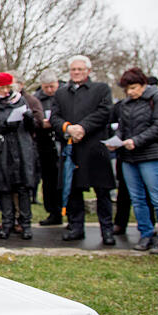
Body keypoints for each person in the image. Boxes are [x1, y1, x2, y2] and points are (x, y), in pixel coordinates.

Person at [50, 55, 116, 245]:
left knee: (102, 192)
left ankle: (107, 230)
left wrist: (83, 127)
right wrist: (68, 128)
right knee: (73, 191)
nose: (76, 73)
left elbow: (104, 112)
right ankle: (76, 227)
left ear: (88, 70)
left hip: (95, 148)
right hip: (72, 149)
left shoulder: (101, 89)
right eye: (73, 69)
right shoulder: (61, 93)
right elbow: (55, 117)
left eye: (80, 69)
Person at [110, 68, 158, 254]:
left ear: (143, 84)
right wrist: (116, 140)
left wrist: (137, 141)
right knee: (138, 199)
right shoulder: (126, 103)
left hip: (152, 156)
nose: (130, 92)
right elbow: (122, 127)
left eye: (134, 88)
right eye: (127, 89)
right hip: (129, 157)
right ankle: (146, 233)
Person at [0, 72, 36, 240]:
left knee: (23, 189)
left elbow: (31, 128)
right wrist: (4, 125)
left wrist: (29, 119)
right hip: (1, 152)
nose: (5, 91)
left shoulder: (20, 100)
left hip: (20, 150)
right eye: (1, 88)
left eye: (7, 87)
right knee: (4, 190)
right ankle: (7, 223)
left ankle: (25, 224)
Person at [34, 70, 63, 225]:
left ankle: (68, 211)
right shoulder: (37, 98)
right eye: (47, 87)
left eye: (52, 87)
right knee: (49, 180)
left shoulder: (64, 94)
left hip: (63, 141)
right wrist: (40, 123)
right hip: (44, 143)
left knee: (64, 179)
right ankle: (53, 211)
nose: (50, 90)